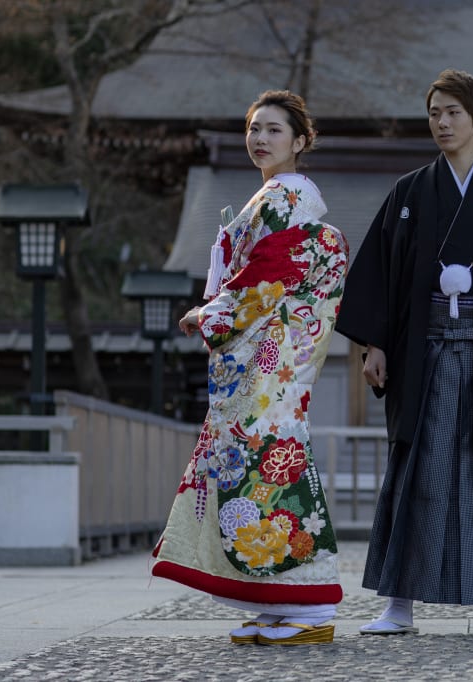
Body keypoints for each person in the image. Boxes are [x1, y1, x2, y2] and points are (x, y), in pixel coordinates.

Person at [335, 69, 473, 636]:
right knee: (418, 473)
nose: (442, 122)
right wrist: (374, 344)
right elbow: (380, 276)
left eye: (453, 113)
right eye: (434, 112)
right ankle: (398, 605)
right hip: (424, 354)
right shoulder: (409, 193)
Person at [152, 90, 349, 646]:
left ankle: (309, 606)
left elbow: (270, 271)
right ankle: (274, 601)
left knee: (269, 460)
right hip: (267, 357)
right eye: (254, 129)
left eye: (275, 130)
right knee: (251, 465)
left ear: (301, 141)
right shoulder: (270, 197)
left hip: (270, 358)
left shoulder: (286, 200)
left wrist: (211, 313)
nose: (260, 139)